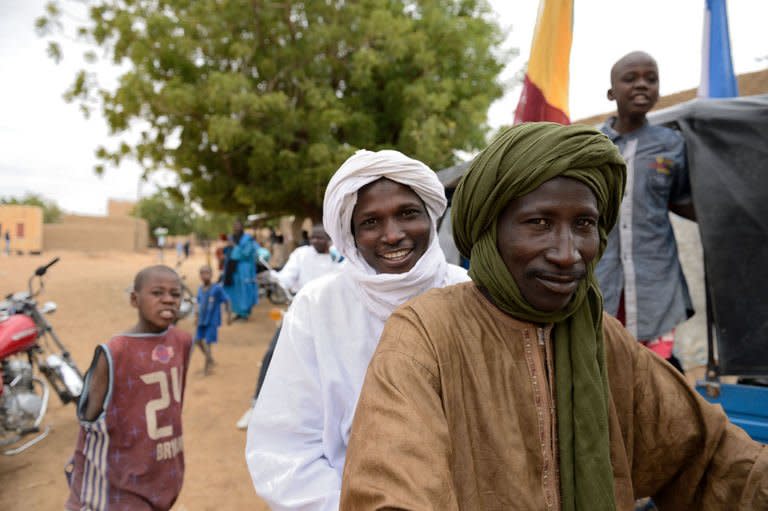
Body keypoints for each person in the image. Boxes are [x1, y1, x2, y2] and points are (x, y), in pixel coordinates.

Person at [339, 123, 768, 510]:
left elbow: (710, 459)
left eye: (583, 224)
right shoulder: (425, 337)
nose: (568, 253)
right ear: (492, 231)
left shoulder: (603, 338)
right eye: (539, 222)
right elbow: (391, 493)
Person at [245, 149, 469, 510]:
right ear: (351, 235)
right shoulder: (317, 307)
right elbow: (285, 449)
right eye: (371, 223)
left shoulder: (465, 294)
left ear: (430, 216)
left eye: (407, 214)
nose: (393, 235)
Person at [596, 51, 695, 373]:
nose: (642, 85)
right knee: (606, 368)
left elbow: (680, 199)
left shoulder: (672, 144)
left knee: (656, 375)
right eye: (631, 78)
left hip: (656, 281)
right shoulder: (592, 145)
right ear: (612, 93)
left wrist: (728, 215)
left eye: (650, 79)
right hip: (602, 281)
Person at [65, 265, 193, 511]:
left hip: (163, 476)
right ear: (135, 299)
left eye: (175, 294)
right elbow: (90, 425)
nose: (168, 299)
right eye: (157, 293)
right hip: (115, 488)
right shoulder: (114, 352)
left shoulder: (182, 341)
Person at [235, 224, 344, 429]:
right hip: (300, 313)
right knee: (272, 353)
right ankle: (256, 406)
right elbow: (286, 278)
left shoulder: (340, 256)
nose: (316, 242)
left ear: (330, 238)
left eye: (321, 238)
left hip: (333, 319)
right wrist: (273, 277)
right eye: (313, 238)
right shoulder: (301, 254)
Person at [195, 264, 232, 375]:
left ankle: (206, 370)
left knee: (208, 343)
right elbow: (198, 303)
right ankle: (210, 359)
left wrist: (229, 315)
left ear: (211, 274)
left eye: (207, 272)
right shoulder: (200, 289)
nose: (204, 275)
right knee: (197, 341)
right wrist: (196, 317)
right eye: (202, 273)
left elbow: (227, 300)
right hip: (202, 320)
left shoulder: (217, 288)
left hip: (212, 320)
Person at [222, 219, 257, 320]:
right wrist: (227, 247)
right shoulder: (231, 237)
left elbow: (246, 254)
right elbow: (227, 253)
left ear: (242, 227)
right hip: (232, 269)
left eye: (238, 225)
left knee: (244, 290)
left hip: (243, 269)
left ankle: (245, 313)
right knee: (235, 291)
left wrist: (234, 247)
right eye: (234, 225)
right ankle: (238, 312)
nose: (236, 227)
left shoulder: (248, 239)